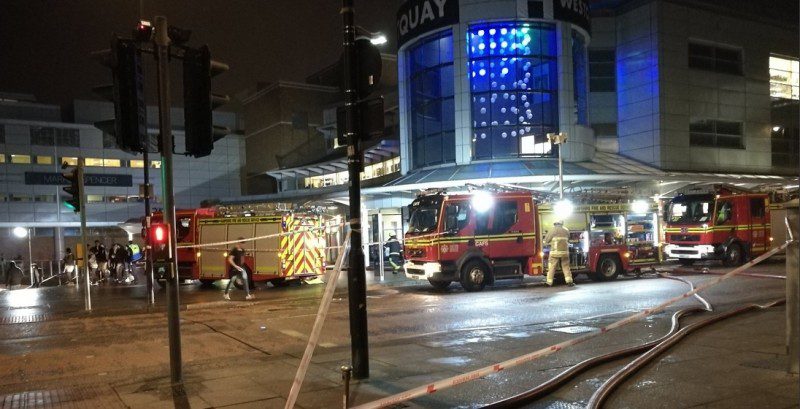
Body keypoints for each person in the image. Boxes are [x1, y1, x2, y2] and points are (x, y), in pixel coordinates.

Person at [544, 221, 574, 287]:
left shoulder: (552, 230)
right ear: (561, 224)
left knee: (552, 266)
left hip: (555, 252)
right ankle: (569, 281)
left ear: (555, 224)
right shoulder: (566, 230)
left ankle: (549, 282)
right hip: (565, 252)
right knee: (566, 266)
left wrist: (546, 242)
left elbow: (546, 241)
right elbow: (568, 239)